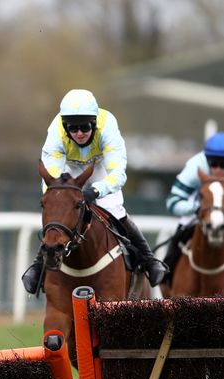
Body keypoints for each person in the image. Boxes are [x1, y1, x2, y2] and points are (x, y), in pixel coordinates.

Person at [21, 88, 168, 294]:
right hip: (69, 170)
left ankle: (149, 261)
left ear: (94, 123)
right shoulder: (56, 131)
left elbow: (118, 175)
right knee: (59, 212)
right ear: (65, 126)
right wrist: (61, 198)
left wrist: (96, 191)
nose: (79, 133)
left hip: (100, 168)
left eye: (84, 127)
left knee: (114, 209)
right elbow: (51, 179)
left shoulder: (107, 125)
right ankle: (38, 267)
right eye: (73, 128)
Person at [161, 132, 224, 281]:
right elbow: (173, 202)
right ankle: (165, 278)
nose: (219, 170)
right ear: (206, 160)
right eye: (214, 164)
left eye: (223, 164)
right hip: (197, 213)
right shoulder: (195, 167)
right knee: (173, 248)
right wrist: (197, 209)